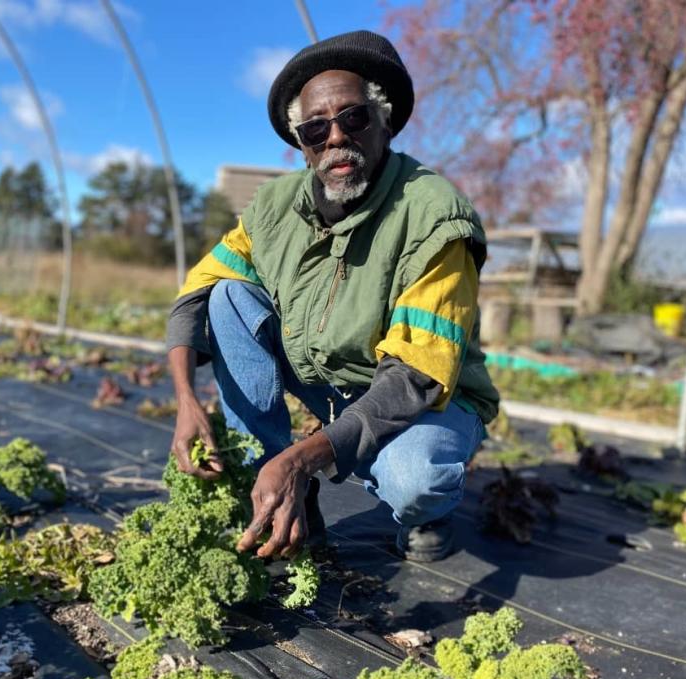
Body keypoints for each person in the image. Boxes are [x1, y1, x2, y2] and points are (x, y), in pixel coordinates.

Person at [166, 30, 499, 564]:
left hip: (422, 399)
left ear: (384, 121)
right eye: (316, 128)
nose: (336, 138)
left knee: (415, 481)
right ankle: (275, 494)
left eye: (354, 118)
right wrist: (186, 400)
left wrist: (303, 458)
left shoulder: (435, 214)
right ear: (302, 143)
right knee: (228, 295)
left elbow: (414, 378)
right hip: (325, 379)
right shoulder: (275, 207)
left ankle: (426, 512)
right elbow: (197, 291)